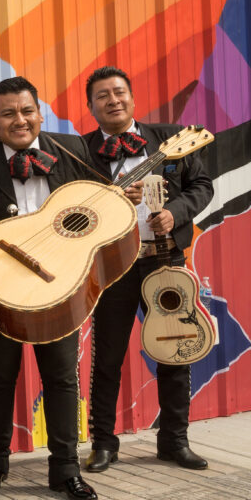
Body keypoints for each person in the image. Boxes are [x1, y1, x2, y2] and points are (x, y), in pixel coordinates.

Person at [0, 76, 116, 500]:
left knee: (61, 378)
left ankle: (65, 469)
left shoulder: (71, 149)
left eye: (27, 111)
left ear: (40, 112)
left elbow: (96, 207)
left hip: (59, 287)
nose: (20, 120)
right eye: (9, 113)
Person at [81, 66, 214, 473]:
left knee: (176, 348)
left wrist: (174, 214)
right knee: (108, 357)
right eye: (102, 96)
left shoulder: (171, 139)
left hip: (164, 260)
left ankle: (174, 440)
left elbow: (202, 186)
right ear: (91, 107)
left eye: (119, 92)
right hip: (112, 265)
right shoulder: (80, 150)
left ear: (133, 99)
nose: (113, 100)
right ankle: (103, 443)